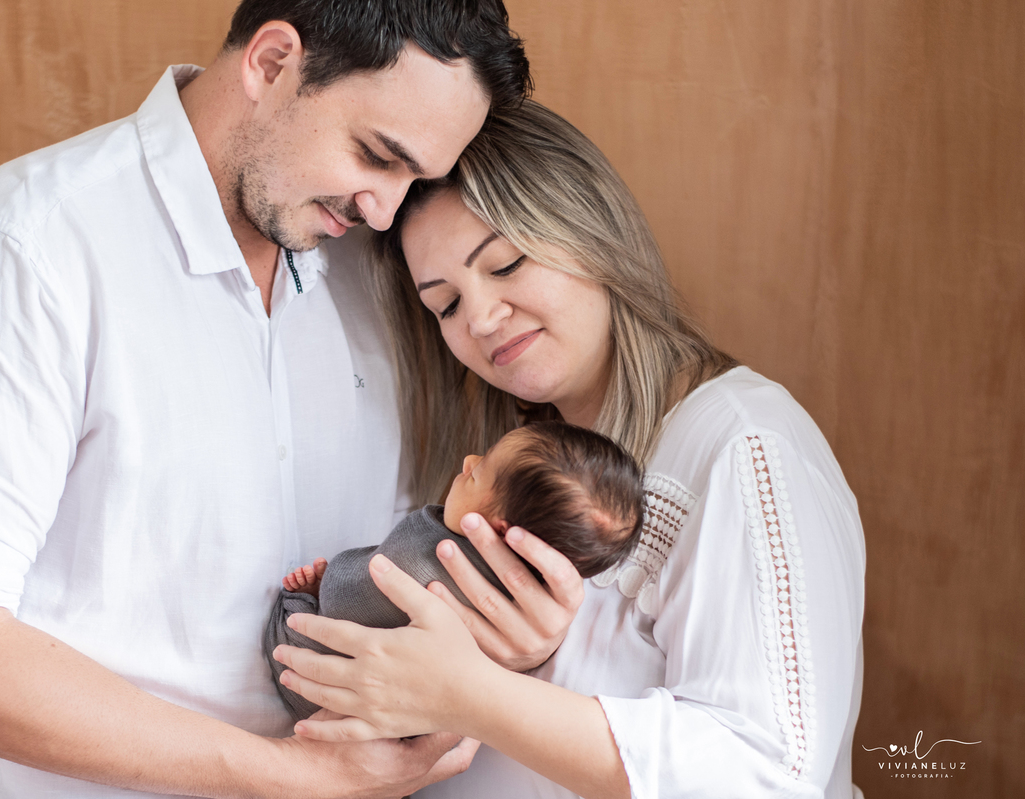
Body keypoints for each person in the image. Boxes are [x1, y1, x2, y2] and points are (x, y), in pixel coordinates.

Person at [0, 4, 588, 798]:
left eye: (414, 178)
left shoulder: (383, 264)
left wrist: (506, 653)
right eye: (376, 155)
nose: (383, 206)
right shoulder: (27, 252)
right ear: (271, 64)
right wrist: (289, 775)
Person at [272, 99, 866, 799]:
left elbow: (765, 772)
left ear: (590, 231)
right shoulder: (494, 473)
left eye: (506, 263)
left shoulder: (742, 448)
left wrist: (470, 693)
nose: (483, 319)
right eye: (447, 305)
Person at [266, 420, 645, 720]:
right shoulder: (528, 600)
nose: (468, 461)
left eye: (477, 475)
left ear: (498, 531)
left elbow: (349, 594)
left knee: (320, 603)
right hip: (402, 722)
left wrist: (323, 586)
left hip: (315, 691)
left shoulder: (425, 559)